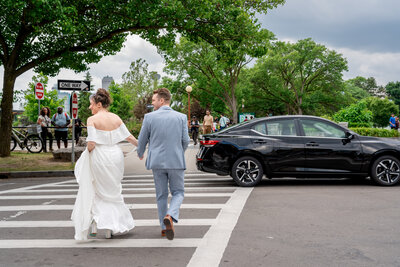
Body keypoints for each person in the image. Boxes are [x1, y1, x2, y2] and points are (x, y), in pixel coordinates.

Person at [71, 88, 137, 240]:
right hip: (115, 155)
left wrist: (86, 153)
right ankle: (110, 226)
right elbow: (129, 137)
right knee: (112, 188)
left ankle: (96, 222)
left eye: (91, 104)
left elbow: (92, 143)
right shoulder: (116, 118)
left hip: (100, 155)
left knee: (96, 188)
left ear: (99, 104)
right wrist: (141, 147)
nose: (90, 107)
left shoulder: (92, 120)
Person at [137, 88, 190, 240]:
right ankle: (171, 215)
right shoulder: (181, 117)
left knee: (161, 195)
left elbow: (142, 139)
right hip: (176, 161)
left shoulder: (149, 117)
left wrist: (140, 153)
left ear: (161, 100)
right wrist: (179, 152)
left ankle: (163, 227)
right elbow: (185, 141)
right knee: (178, 192)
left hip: (157, 162)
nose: (152, 103)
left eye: (153, 100)